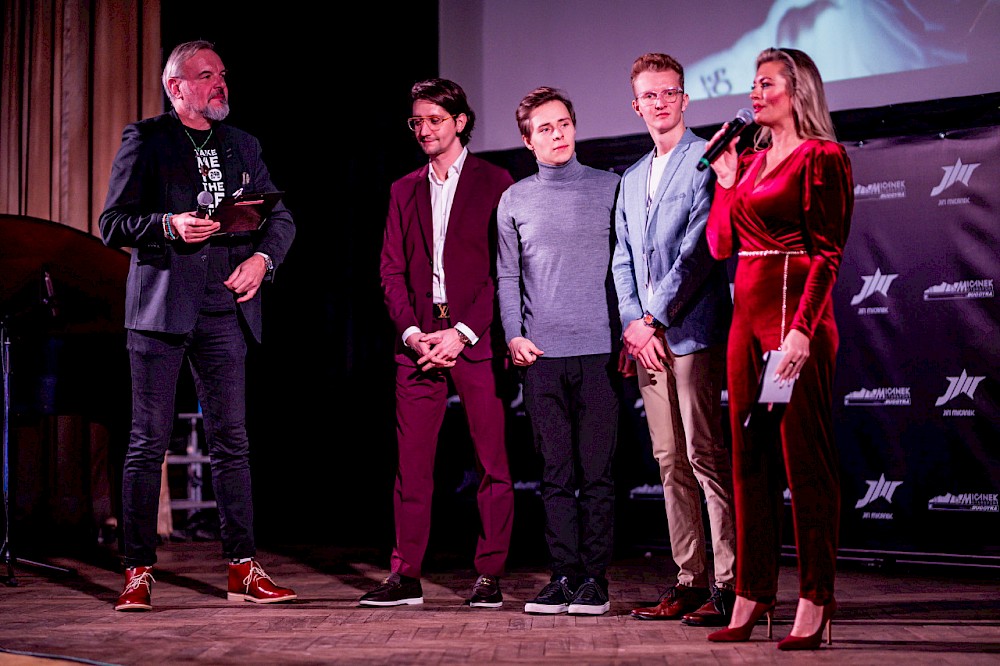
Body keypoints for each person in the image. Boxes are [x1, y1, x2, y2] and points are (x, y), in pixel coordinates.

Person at [99, 40, 296, 611]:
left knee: (232, 442)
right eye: (206, 75)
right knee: (147, 443)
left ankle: (242, 568)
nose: (219, 84)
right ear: (175, 86)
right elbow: (113, 223)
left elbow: (280, 217)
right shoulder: (147, 139)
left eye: (222, 74)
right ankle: (137, 569)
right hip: (161, 312)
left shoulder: (243, 145)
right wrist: (169, 224)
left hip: (224, 308)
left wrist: (263, 261)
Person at [703, 47, 853, 650]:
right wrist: (725, 181)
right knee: (748, 462)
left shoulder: (823, 157)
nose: (754, 93)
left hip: (793, 322)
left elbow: (828, 253)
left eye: (766, 83)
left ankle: (816, 597)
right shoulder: (750, 161)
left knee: (804, 462)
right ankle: (753, 591)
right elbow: (720, 245)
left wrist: (802, 330)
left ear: (798, 91)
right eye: (753, 84)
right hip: (745, 321)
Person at [364, 78, 515, 608]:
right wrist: (412, 333)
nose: (424, 129)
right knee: (412, 466)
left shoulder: (496, 182)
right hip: (418, 341)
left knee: (492, 463)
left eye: (434, 119)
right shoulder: (403, 189)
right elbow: (390, 270)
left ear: (460, 122)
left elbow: (503, 270)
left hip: (474, 337)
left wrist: (462, 332)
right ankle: (405, 575)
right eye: (417, 121)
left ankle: (489, 574)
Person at [610, 53, 737, 626]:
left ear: (685, 99)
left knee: (704, 456)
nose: (660, 103)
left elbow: (699, 252)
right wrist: (633, 326)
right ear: (635, 106)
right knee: (669, 461)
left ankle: (730, 584)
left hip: (690, 334)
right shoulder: (632, 177)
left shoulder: (707, 158)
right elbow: (622, 259)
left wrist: (653, 319)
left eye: (669, 93)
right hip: (647, 342)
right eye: (649, 95)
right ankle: (690, 579)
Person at [496, 86, 621, 616]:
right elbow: (507, 275)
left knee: (597, 476)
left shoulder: (612, 187)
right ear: (528, 141)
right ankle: (564, 576)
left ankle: (595, 580)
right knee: (555, 476)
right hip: (541, 357)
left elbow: (630, 266)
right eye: (545, 128)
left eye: (564, 123)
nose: (558, 134)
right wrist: (513, 334)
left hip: (599, 355)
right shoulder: (514, 199)